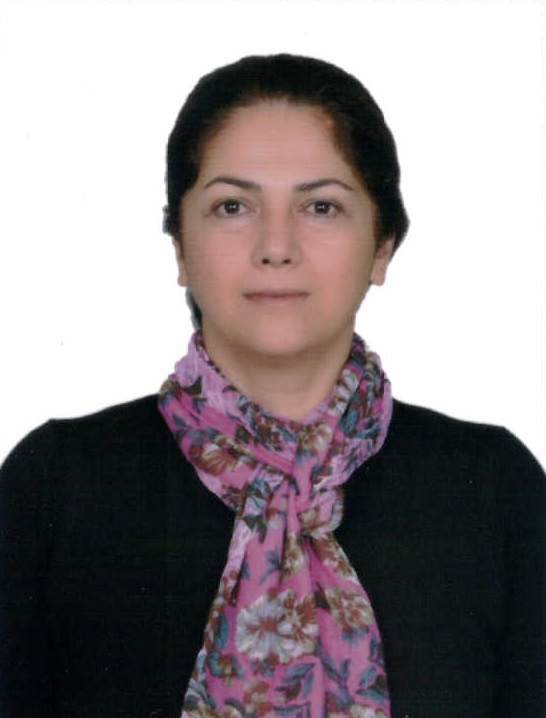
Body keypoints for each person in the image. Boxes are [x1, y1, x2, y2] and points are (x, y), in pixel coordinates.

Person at [0, 54, 544, 718]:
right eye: (233, 206)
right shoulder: (55, 485)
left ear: (381, 246)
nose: (276, 246)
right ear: (180, 247)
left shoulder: (492, 488)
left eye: (321, 206)